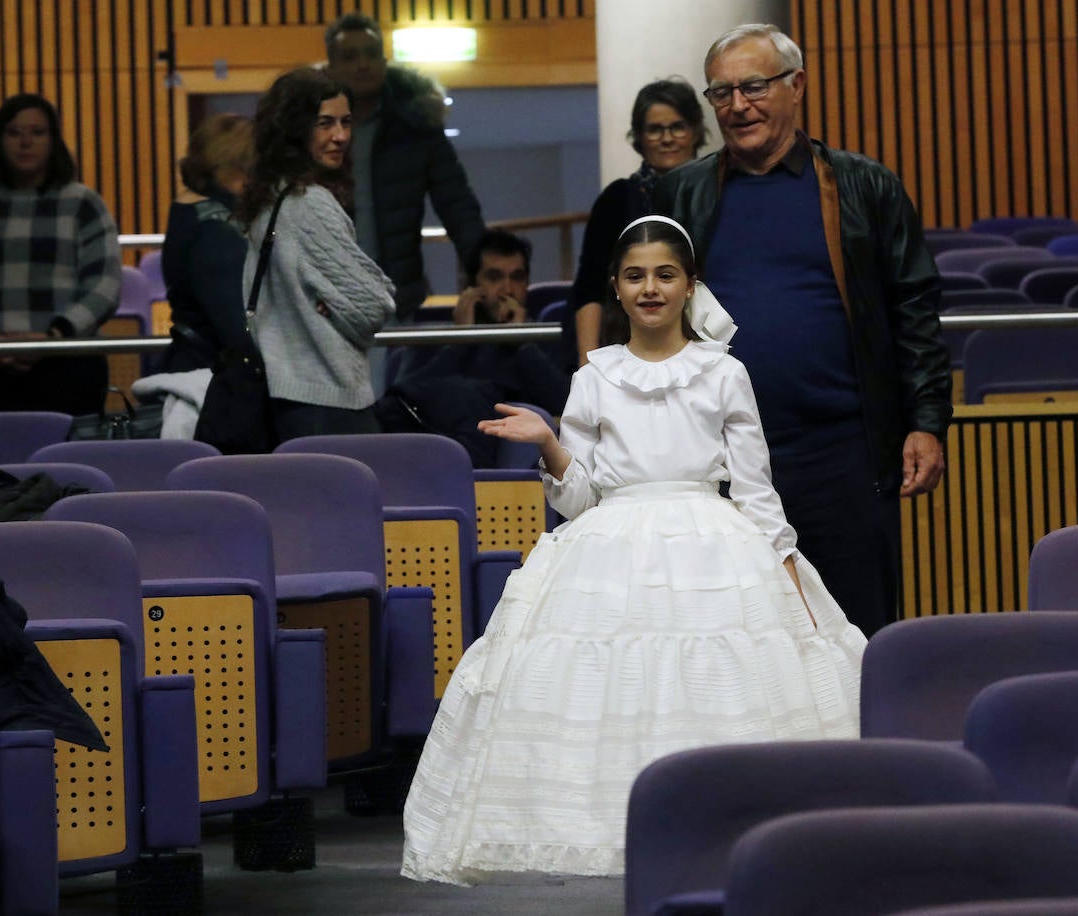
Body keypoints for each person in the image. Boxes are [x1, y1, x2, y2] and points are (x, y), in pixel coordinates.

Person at [400, 216, 866, 883]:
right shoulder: (596, 375)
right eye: (636, 275)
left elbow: (756, 489)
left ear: (689, 285)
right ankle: (637, 845)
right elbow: (580, 499)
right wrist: (550, 441)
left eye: (665, 274)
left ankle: (717, 843)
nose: (651, 288)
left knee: (718, 691)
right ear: (616, 288)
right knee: (607, 697)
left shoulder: (724, 372)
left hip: (713, 545)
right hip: (611, 545)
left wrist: (784, 564)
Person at [655, 23, 951, 636]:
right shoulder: (681, 195)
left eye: (755, 87)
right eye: (722, 93)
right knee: (734, 638)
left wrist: (926, 423)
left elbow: (913, 309)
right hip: (719, 463)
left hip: (842, 454)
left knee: (851, 630)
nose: (739, 106)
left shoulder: (864, 186)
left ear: (798, 86)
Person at [234, 67, 396, 442]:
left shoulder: (270, 198)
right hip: (330, 402)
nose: (340, 136)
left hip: (288, 402)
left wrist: (335, 300)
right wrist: (337, 302)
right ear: (294, 129)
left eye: (346, 122)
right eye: (324, 123)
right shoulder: (310, 205)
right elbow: (375, 304)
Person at [0, 93, 121, 414]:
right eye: (14, 133)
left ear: (53, 141)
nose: (25, 142)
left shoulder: (83, 202)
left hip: (68, 359)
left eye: (37, 132)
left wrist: (53, 337)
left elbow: (105, 284)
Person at [324, 12, 485, 321]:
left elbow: (458, 205)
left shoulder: (415, 126)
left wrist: (483, 272)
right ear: (331, 68)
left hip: (397, 295)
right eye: (350, 56)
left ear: (384, 62)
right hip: (331, 297)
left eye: (371, 54)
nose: (363, 64)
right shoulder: (315, 132)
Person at [568, 77, 707, 366]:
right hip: (626, 348)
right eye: (655, 129)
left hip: (707, 348)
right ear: (640, 138)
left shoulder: (718, 192)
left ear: (695, 131)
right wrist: (587, 367)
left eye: (677, 127)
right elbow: (590, 287)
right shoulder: (616, 199)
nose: (667, 138)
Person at [388, 229, 570, 423]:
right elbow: (404, 403)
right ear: (471, 285)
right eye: (494, 277)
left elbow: (566, 405)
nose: (507, 290)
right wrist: (461, 341)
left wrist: (523, 344)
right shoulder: (432, 339)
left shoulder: (546, 337)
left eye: (517, 278)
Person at [159, 113, 255, 372]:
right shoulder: (216, 229)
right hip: (215, 375)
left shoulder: (190, 212)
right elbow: (237, 328)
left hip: (200, 365)